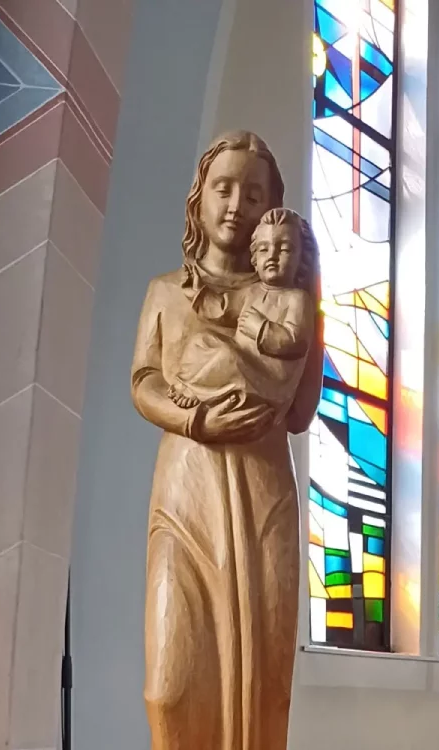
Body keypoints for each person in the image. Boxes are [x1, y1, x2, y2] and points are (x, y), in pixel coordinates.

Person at [130, 131, 322, 750]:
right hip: (186, 493)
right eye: (224, 187)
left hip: (263, 490)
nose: (237, 203)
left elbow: (299, 415)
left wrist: (311, 306)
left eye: (253, 192)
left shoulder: (285, 301)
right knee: (170, 686)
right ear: (200, 198)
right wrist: (196, 422)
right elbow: (143, 382)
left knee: (265, 680)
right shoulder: (165, 292)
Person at [166, 207, 318, 420]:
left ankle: (196, 390)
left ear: (301, 258)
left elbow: (296, 341)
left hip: (268, 379)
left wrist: (261, 329)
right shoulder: (253, 291)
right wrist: (199, 293)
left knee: (227, 357)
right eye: (264, 249)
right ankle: (189, 384)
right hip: (242, 360)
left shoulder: (297, 299)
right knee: (201, 341)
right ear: (254, 257)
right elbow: (224, 308)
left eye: (284, 249)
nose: (272, 256)